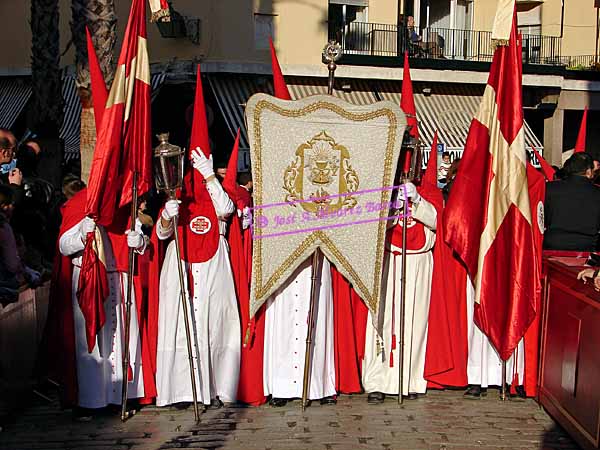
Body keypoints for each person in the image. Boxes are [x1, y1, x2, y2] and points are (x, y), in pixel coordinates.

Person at [154, 147, 241, 408]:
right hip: (181, 263)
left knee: (214, 323)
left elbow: (226, 209)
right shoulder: (177, 194)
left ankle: (213, 387)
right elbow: (160, 233)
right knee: (180, 324)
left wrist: (209, 177)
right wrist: (168, 215)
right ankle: (180, 390)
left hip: (214, 264)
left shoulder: (218, 191)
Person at [58, 192, 151, 412]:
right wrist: (82, 234)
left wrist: (140, 242)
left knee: (123, 340)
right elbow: (63, 245)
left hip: (120, 278)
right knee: (91, 343)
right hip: (88, 277)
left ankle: (121, 396)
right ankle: (91, 400)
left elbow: (142, 239)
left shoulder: (125, 201)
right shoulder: (79, 203)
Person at [362, 182, 437, 403]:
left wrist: (417, 201)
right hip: (390, 259)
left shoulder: (430, 189)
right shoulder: (381, 186)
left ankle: (409, 379)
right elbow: (371, 223)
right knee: (382, 321)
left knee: (415, 323)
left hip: (418, 262)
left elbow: (436, 220)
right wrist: (393, 208)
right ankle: (377, 381)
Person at [544, 152, 600, 251]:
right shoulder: (597, 192)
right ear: (588, 171)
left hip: (552, 246)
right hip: (587, 248)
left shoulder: (549, 188)